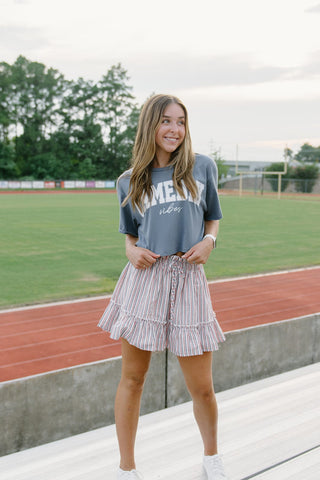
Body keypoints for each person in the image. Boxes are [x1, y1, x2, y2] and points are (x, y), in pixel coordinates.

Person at [98, 94, 229, 480]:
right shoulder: (129, 180)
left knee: (202, 387)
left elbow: (213, 220)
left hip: (188, 278)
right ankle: (126, 469)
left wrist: (210, 242)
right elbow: (129, 237)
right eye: (167, 121)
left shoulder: (202, 167)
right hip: (146, 279)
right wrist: (131, 250)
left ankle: (211, 460)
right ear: (150, 126)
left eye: (181, 122)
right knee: (133, 379)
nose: (175, 130)